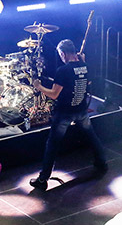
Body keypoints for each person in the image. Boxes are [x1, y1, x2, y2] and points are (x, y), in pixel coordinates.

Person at [29, 39, 108, 190]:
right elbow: (86, 81)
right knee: (91, 136)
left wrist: (38, 86)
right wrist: (81, 62)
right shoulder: (84, 66)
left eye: (60, 54)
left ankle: (42, 180)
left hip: (65, 113)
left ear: (63, 53)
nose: (60, 57)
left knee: (52, 144)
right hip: (82, 110)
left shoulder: (63, 71)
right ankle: (101, 162)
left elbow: (54, 94)